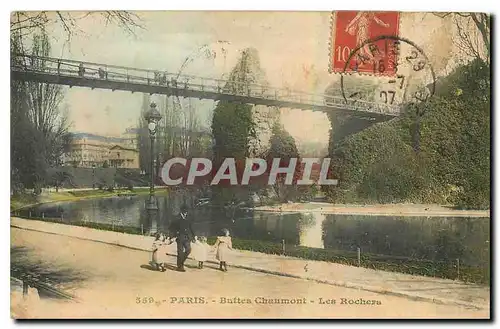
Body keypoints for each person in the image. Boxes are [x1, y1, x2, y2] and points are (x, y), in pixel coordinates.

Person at [168, 205, 196, 272]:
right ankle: (180, 266)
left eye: (186, 212)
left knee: (188, 250)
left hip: (187, 237)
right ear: (182, 211)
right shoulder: (176, 218)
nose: (186, 213)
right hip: (179, 237)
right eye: (184, 212)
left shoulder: (188, 218)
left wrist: (194, 236)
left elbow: (191, 227)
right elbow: (171, 228)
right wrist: (172, 237)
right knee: (180, 252)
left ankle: (180, 263)